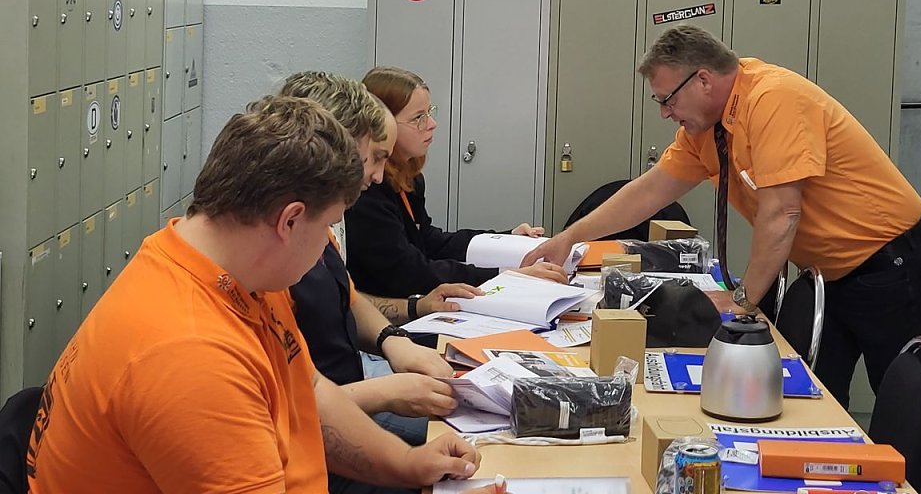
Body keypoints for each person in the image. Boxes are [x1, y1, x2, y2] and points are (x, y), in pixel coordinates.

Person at [27, 95, 484, 493]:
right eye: (328, 227)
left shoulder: (239, 275)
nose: (327, 248)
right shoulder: (189, 356)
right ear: (289, 221)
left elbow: (308, 393)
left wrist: (407, 463)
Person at [522, 25, 921, 408]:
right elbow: (648, 192)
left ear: (703, 80)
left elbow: (782, 212)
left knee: (899, 400)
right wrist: (569, 238)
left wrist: (742, 300)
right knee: (814, 395)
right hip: (829, 272)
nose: (665, 112)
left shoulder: (772, 99)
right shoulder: (706, 129)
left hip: (889, 261)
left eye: (668, 99)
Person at [282, 71, 480, 460]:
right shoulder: (281, 253)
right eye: (373, 158)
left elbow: (348, 295)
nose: (376, 177)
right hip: (330, 418)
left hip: (347, 391)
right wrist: (385, 393)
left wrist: (393, 339)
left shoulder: (320, 225)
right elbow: (292, 407)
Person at [345, 66, 568, 298]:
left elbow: (428, 240)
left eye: (429, 112)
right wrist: (506, 275)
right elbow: (410, 272)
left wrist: (505, 238)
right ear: (383, 125)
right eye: (418, 118)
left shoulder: (409, 176)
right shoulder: (366, 189)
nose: (432, 123)